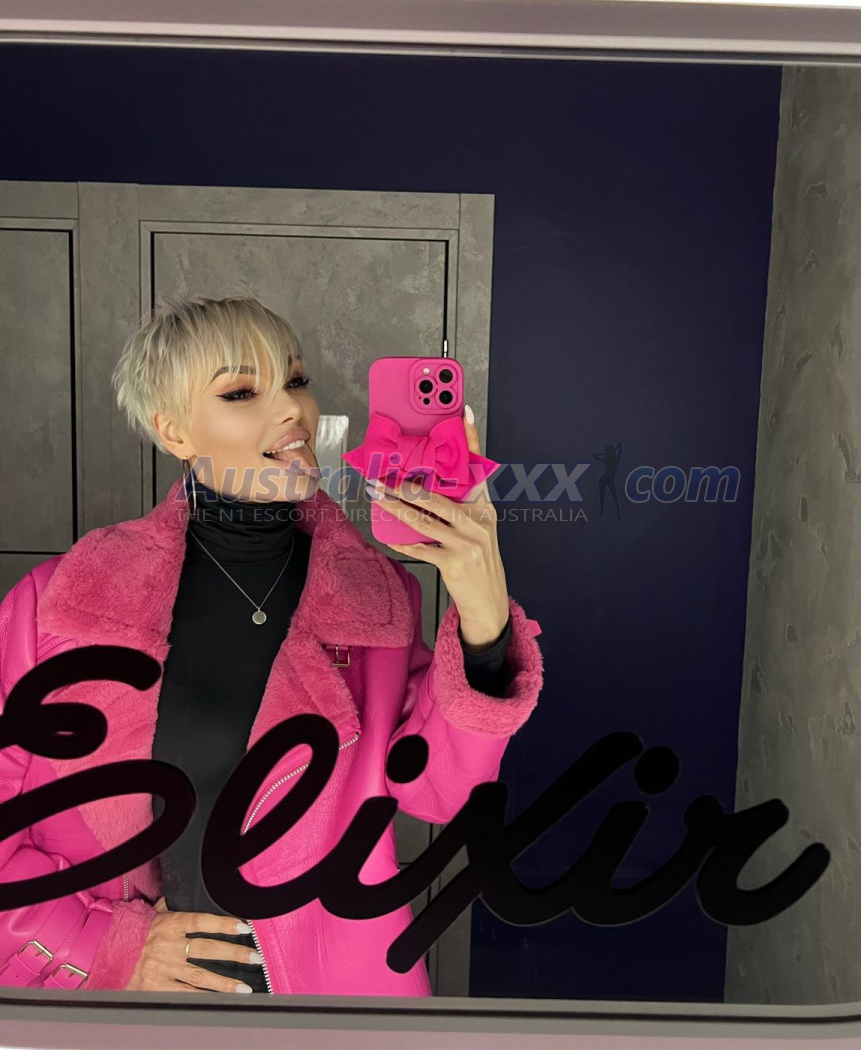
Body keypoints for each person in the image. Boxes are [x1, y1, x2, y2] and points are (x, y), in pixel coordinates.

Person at [0, 294, 545, 996]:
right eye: (241, 391)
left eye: (295, 380)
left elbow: (440, 792)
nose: (291, 408)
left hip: (327, 1010)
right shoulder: (60, 604)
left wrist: (483, 607)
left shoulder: (375, 602)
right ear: (173, 430)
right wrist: (105, 948)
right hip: (127, 1020)